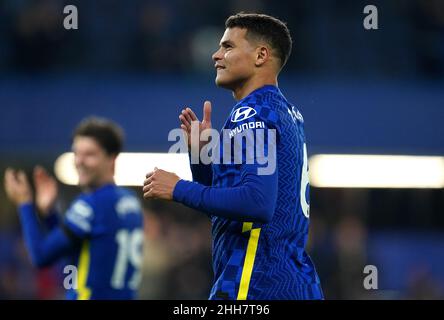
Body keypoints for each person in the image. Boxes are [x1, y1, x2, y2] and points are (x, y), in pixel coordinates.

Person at [143, 13, 323, 300]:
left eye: (228, 46)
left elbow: (257, 202)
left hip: (258, 283)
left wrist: (178, 187)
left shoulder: (253, 113)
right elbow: (234, 203)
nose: (216, 55)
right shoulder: (285, 112)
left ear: (261, 55)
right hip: (289, 281)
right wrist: (201, 158)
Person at [4, 117, 143, 300]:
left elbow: (40, 256)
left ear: (111, 158)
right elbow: (74, 256)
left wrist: (25, 203)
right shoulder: (130, 201)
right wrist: (49, 214)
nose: (79, 161)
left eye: (90, 154)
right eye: (76, 153)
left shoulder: (91, 204)